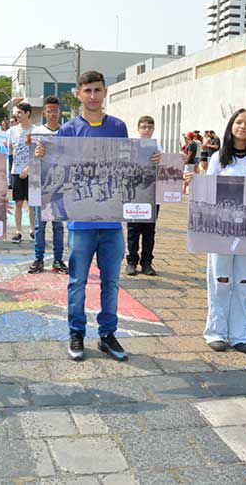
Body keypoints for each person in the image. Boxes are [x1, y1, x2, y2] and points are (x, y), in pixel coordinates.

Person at [34, 71, 157, 362]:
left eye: (97, 90)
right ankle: (76, 332)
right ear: (79, 93)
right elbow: (56, 169)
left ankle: (107, 335)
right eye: (87, 90)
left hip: (111, 222)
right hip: (80, 222)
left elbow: (127, 165)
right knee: (77, 281)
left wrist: (150, 160)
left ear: (105, 92)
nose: (92, 96)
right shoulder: (68, 130)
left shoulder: (118, 127)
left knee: (111, 283)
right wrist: (41, 156)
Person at [190, 108, 246, 354]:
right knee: (220, 280)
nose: (243, 127)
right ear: (231, 126)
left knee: (244, 281)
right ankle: (215, 332)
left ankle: (239, 335)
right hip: (222, 231)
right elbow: (208, 191)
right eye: (238, 122)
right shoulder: (218, 158)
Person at [28, 96, 67, 274]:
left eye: (55, 111)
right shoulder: (36, 132)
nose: (52, 114)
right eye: (49, 111)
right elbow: (30, 156)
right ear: (45, 112)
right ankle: (39, 259)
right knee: (40, 225)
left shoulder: (66, 132)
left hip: (60, 184)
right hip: (40, 183)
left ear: (60, 112)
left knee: (58, 225)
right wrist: (34, 152)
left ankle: (58, 260)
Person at [126, 115, 160, 276]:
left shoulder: (159, 148)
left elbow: (167, 167)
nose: (146, 130)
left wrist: (161, 160)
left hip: (152, 195)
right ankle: (131, 261)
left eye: (149, 127)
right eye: (144, 127)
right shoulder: (131, 147)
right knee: (133, 229)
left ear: (153, 129)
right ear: (138, 129)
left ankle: (147, 262)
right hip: (134, 194)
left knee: (149, 230)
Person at [9, 102, 36, 243]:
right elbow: (10, 150)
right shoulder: (11, 131)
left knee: (32, 203)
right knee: (18, 203)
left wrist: (28, 168)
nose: (16, 115)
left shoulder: (36, 130)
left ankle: (33, 230)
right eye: (16, 112)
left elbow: (39, 153)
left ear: (27, 113)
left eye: (19, 112)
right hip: (16, 171)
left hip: (32, 172)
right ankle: (18, 231)